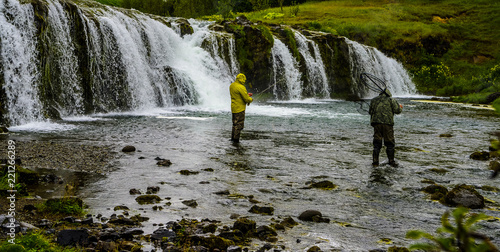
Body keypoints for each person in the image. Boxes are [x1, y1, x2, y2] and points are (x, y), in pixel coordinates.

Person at [369, 88, 403, 166]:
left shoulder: (374, 100)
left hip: (376, 124)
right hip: (388, 124)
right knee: (390, 143)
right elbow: (397, 111)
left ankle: (375, 162)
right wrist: (400, 107)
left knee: (377, 143)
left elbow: (370, 112)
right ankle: (391, 161)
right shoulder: (391, 100)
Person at [230, 73, 253, 143]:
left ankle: (232, 139)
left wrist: (246, 94)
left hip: (234, 108)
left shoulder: (232, 85)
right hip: (240, 109)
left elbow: (238, 94)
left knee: (234, 124)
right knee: (239, 125)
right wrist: (251, 99)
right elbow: (246, 99)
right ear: (242, 79)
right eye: (244, 79)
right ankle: (236, 141)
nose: (244, 81)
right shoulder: (241, 87)